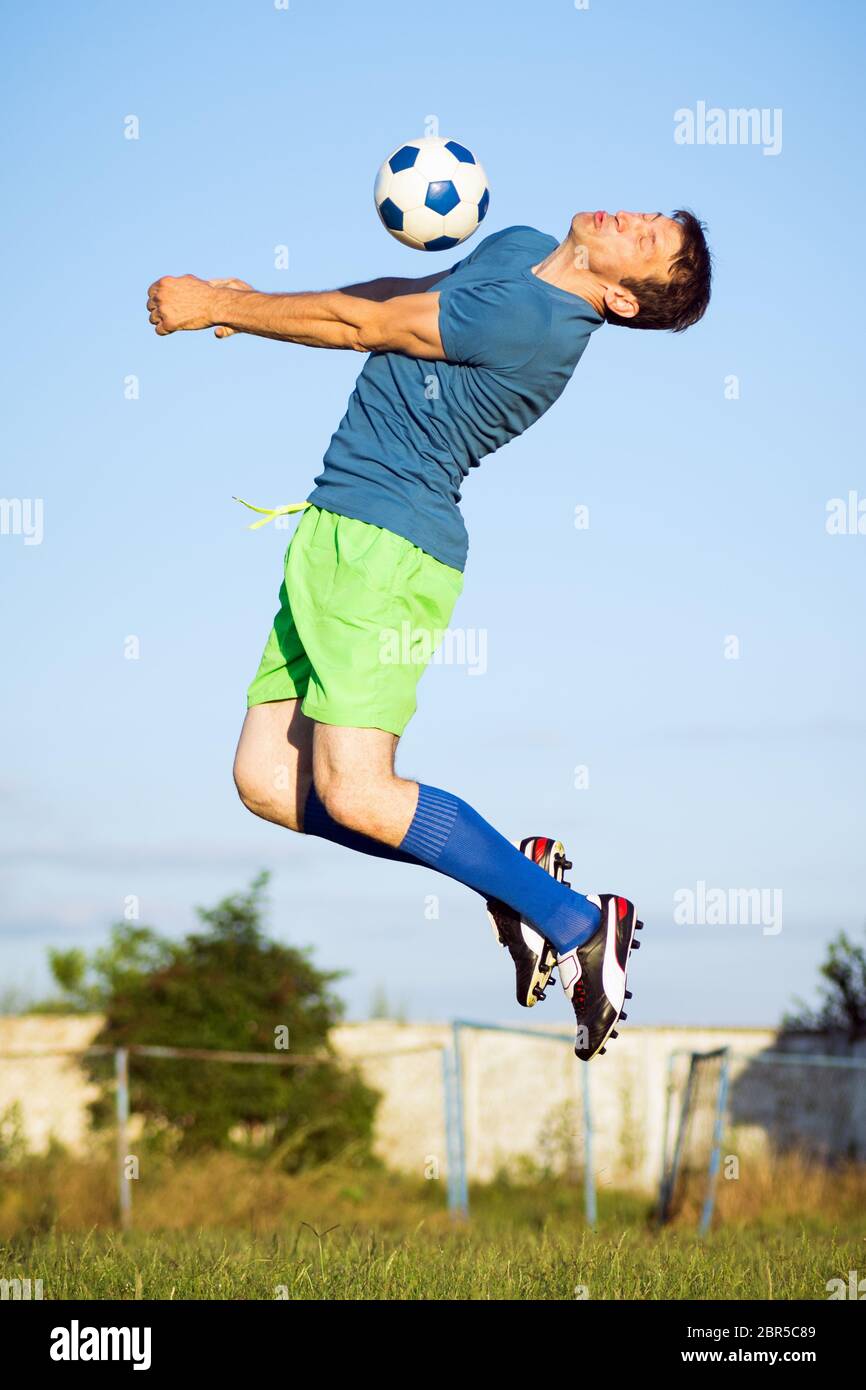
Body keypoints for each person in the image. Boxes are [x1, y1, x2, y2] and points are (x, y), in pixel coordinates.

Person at [146, 208, 712, 1060]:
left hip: (389, 550)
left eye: (644, 242)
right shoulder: (521, 249)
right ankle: (519, 883)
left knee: (359, 793)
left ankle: (579, 923)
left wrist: (209, 307)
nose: (630, 220)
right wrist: (246, 300)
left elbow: (361, 326)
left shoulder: (531, 322)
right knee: (265, 780)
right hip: (334, 529)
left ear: (622, 302)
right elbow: (397, 297)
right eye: (647, 217)